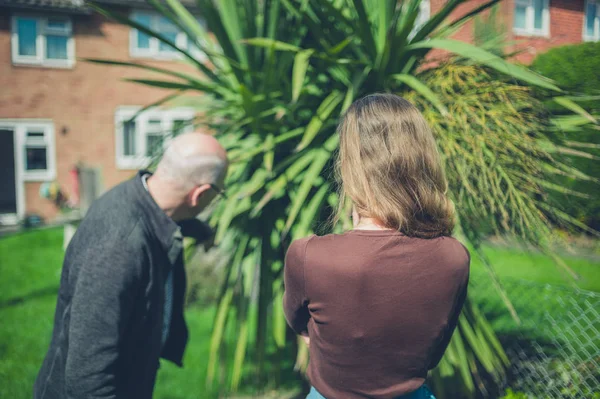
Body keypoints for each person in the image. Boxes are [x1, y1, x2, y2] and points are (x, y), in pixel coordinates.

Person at [283, 94, 470, 399]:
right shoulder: (454, 257)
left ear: (350, 165)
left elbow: (300, 325)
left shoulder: (309, 256)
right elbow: (433, 354)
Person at [34, 133, 228, 399]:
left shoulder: (144, 198)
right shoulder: (119, 247)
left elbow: (175, 216)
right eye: (219, 193)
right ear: (201, 194)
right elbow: (87, 378)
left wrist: (203, 230)